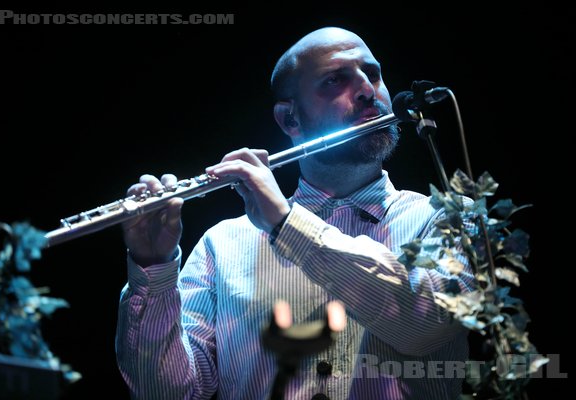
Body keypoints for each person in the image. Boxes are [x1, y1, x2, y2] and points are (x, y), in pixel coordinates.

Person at [116, 27, 476, 399]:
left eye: (372, 74)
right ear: (290, 120)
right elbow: (166, 392)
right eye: (336, 79)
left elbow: (426, 326)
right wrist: (152, 268)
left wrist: (288, 225)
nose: (369, 90)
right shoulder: (221, 245)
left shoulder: (449, 217)